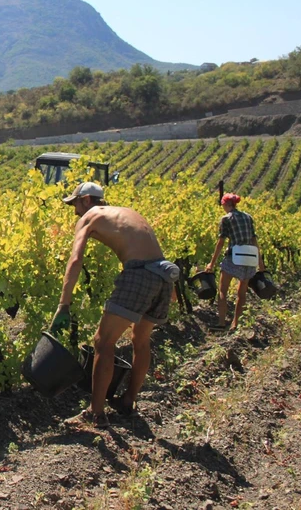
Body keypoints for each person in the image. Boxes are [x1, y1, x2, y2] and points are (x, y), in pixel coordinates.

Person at [51, 182, 178, 428]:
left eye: (75, 204)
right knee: (141, 341)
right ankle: (127, 401)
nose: (75, 211)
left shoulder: (90, 215)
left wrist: (63, 305)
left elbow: (75, 260)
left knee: (103, 342)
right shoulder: (126, 212)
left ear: (86, 200)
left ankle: (95, 413)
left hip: (139, 274)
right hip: (164, 275)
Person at [205, 193, 264, 332]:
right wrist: (260, 263)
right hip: (250, 258)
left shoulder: (226, 219)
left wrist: (211, 263)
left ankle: (221, 323)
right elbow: (254, 240)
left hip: (234, 257)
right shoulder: (248, 217)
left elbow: (221, 242)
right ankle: (235, 324)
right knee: (241, 293)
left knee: (223, 290)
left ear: (226, 204)